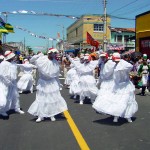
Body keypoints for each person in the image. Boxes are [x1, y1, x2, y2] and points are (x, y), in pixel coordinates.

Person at [93, 52, 138, 123]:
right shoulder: (112, 65)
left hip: (126, 86)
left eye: (117, 60)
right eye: (115, 60)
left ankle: (128, 116)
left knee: (128, 101)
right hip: (117, 86)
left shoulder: (123, 63)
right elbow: (106, 73)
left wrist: (120, 65)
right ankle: (116, 116)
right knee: (117, 101)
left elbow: (130, 66)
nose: (115, 61)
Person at [28, 48, 68, 123]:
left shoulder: (55, 62)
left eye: (55, 53)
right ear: (49, 53)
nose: (54, 54)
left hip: (52, 82)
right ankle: (40, 115)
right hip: (43, 83)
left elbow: (56, 75)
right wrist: (37, 55)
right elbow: (31, 61)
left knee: (51, 99)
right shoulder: (42, 59)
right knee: (41, 98)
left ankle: (51, 114)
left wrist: (59, 83)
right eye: (52, 53)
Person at [0, 51, 25, 116]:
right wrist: (8, 82)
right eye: (13, 56)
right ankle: (2, 110)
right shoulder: (3, 63)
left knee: (15, 95)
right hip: (5, 83)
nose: (14, 57)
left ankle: (17, 108)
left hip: (13, 82)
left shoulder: (13, 63)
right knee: (5, 95)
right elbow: (2, 74)